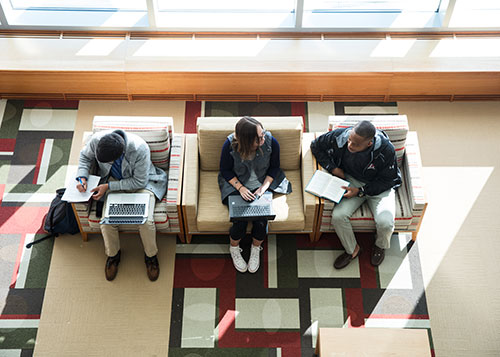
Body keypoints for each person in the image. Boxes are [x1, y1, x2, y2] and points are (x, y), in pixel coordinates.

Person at [76, 129, 167, 281]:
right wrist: (82, 177)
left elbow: (139, 182)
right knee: (106, 222)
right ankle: (113, 255)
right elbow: (85, 157)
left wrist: (109, 188)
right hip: (112, 180)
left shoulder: (139, 149)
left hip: (142, 183)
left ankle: (151, 256)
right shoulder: (97, 140)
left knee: (145, 222)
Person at [310, 120, 401, 269]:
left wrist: (361, 192)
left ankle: (380, 245)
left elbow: (389, 180)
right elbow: (316, 145)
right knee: (338, 217)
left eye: (356, 144)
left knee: (386, 222)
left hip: (380, 186)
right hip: (352, 180)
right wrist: (333, 168)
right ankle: (353, 251)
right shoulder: (340, 136)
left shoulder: (386, 150)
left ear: (369, 144)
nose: (350, 145)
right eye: (350, 140)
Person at [218, 117, 291, 273]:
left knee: (261, 220)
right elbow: (225, 170)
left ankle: (255, 248)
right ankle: (234, 247)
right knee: (240, 221)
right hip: (236, 184)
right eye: (258, 139)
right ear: (245, 140)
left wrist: (263, 188)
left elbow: (274, 168)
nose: (263, 139)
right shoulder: (229, 145)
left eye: (263, 134)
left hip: (263, 183)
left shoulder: (271, 142)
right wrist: (241, 188)